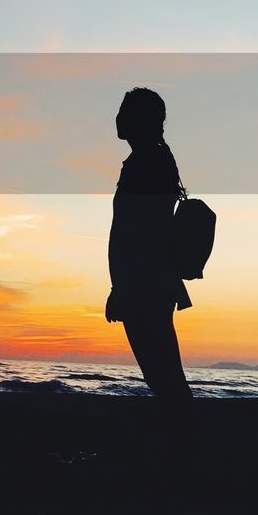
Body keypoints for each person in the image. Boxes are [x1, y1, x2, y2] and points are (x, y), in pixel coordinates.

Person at [106, 87, 193, 405]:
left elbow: (147, 234)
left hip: (146, 288)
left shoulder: (148, 162)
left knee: (166, 382)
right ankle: (182, 445)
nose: (117, 117)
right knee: (164, 380)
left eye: (124, 110)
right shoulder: (146, 160)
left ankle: (185, 448)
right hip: (146, 285)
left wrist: (123, 289)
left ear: (138, 120)